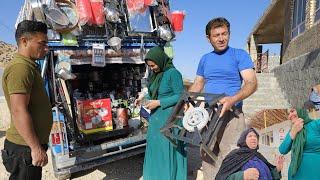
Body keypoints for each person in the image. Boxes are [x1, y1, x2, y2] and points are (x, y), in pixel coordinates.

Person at [188, 17, 257, 178]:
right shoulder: (205, 59)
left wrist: (232, 99)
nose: (221, 38)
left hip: (232, 114)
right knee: (207, 155)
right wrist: (188, 101)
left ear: (229, 34)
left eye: (224, 34)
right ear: (208, 38)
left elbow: (251, 82)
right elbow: (198, 83)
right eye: (216, 35)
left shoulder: (239, 55)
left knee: (232, 156)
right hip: (208, 114)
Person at [1, 20, 53, 180]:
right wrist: (35, 148)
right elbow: (18, 111)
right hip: (23, 148)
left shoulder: (29, 66)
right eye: (42, 43)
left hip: (26, 146)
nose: (46, 47)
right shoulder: (20, 68)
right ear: (24, 41)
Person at [135, 46, 187, 180]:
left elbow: (181, 95)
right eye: (149, 66)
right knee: (156, 149)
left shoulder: (173, 73)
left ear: (160, 59)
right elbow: (153, 92)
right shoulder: (156, 75)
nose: (152, 68)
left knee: (166, 150)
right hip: (156, 118)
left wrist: (158, 103)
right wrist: (142, 98)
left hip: (170, 118)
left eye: (153, 65)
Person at [216, 128, 284, 180]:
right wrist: (242, 176)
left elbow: (268, 176)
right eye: (250, 136)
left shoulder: (259, 157)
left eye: (255, 136)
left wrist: (277, 170)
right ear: (243, 140)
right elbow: (221, 178)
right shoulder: (235, 155)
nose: (253, 138)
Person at [279, 107, 320, 179]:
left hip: (315, 172)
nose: (290, 115)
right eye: (288, 114)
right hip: (296, 174)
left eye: (292, 111)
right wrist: (293, 132)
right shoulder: (292, 131)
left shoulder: (316, 124)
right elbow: (282, 150)